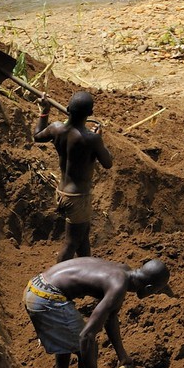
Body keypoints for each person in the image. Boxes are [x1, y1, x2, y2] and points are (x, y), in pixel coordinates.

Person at [22, 257, 173, 368]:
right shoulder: (118, 286)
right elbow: (86, 336)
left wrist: (122, 354)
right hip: (47, 299)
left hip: (35, 287)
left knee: (66, 333)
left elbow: (111, 317)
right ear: (149, 288)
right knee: (88, 349)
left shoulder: (123, 271)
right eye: (155, 292)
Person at [34, 91, 112, 263]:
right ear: (90, 113)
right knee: (71, 244)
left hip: (62, 193)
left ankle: (87, 269)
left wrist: (44, 111)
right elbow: (108, 163)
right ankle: (55, 278)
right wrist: (100, 140)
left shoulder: (56, 128)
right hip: (78, 198)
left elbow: (37, 135)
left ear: (68, 109)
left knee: (82, 237)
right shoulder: (91, 139)